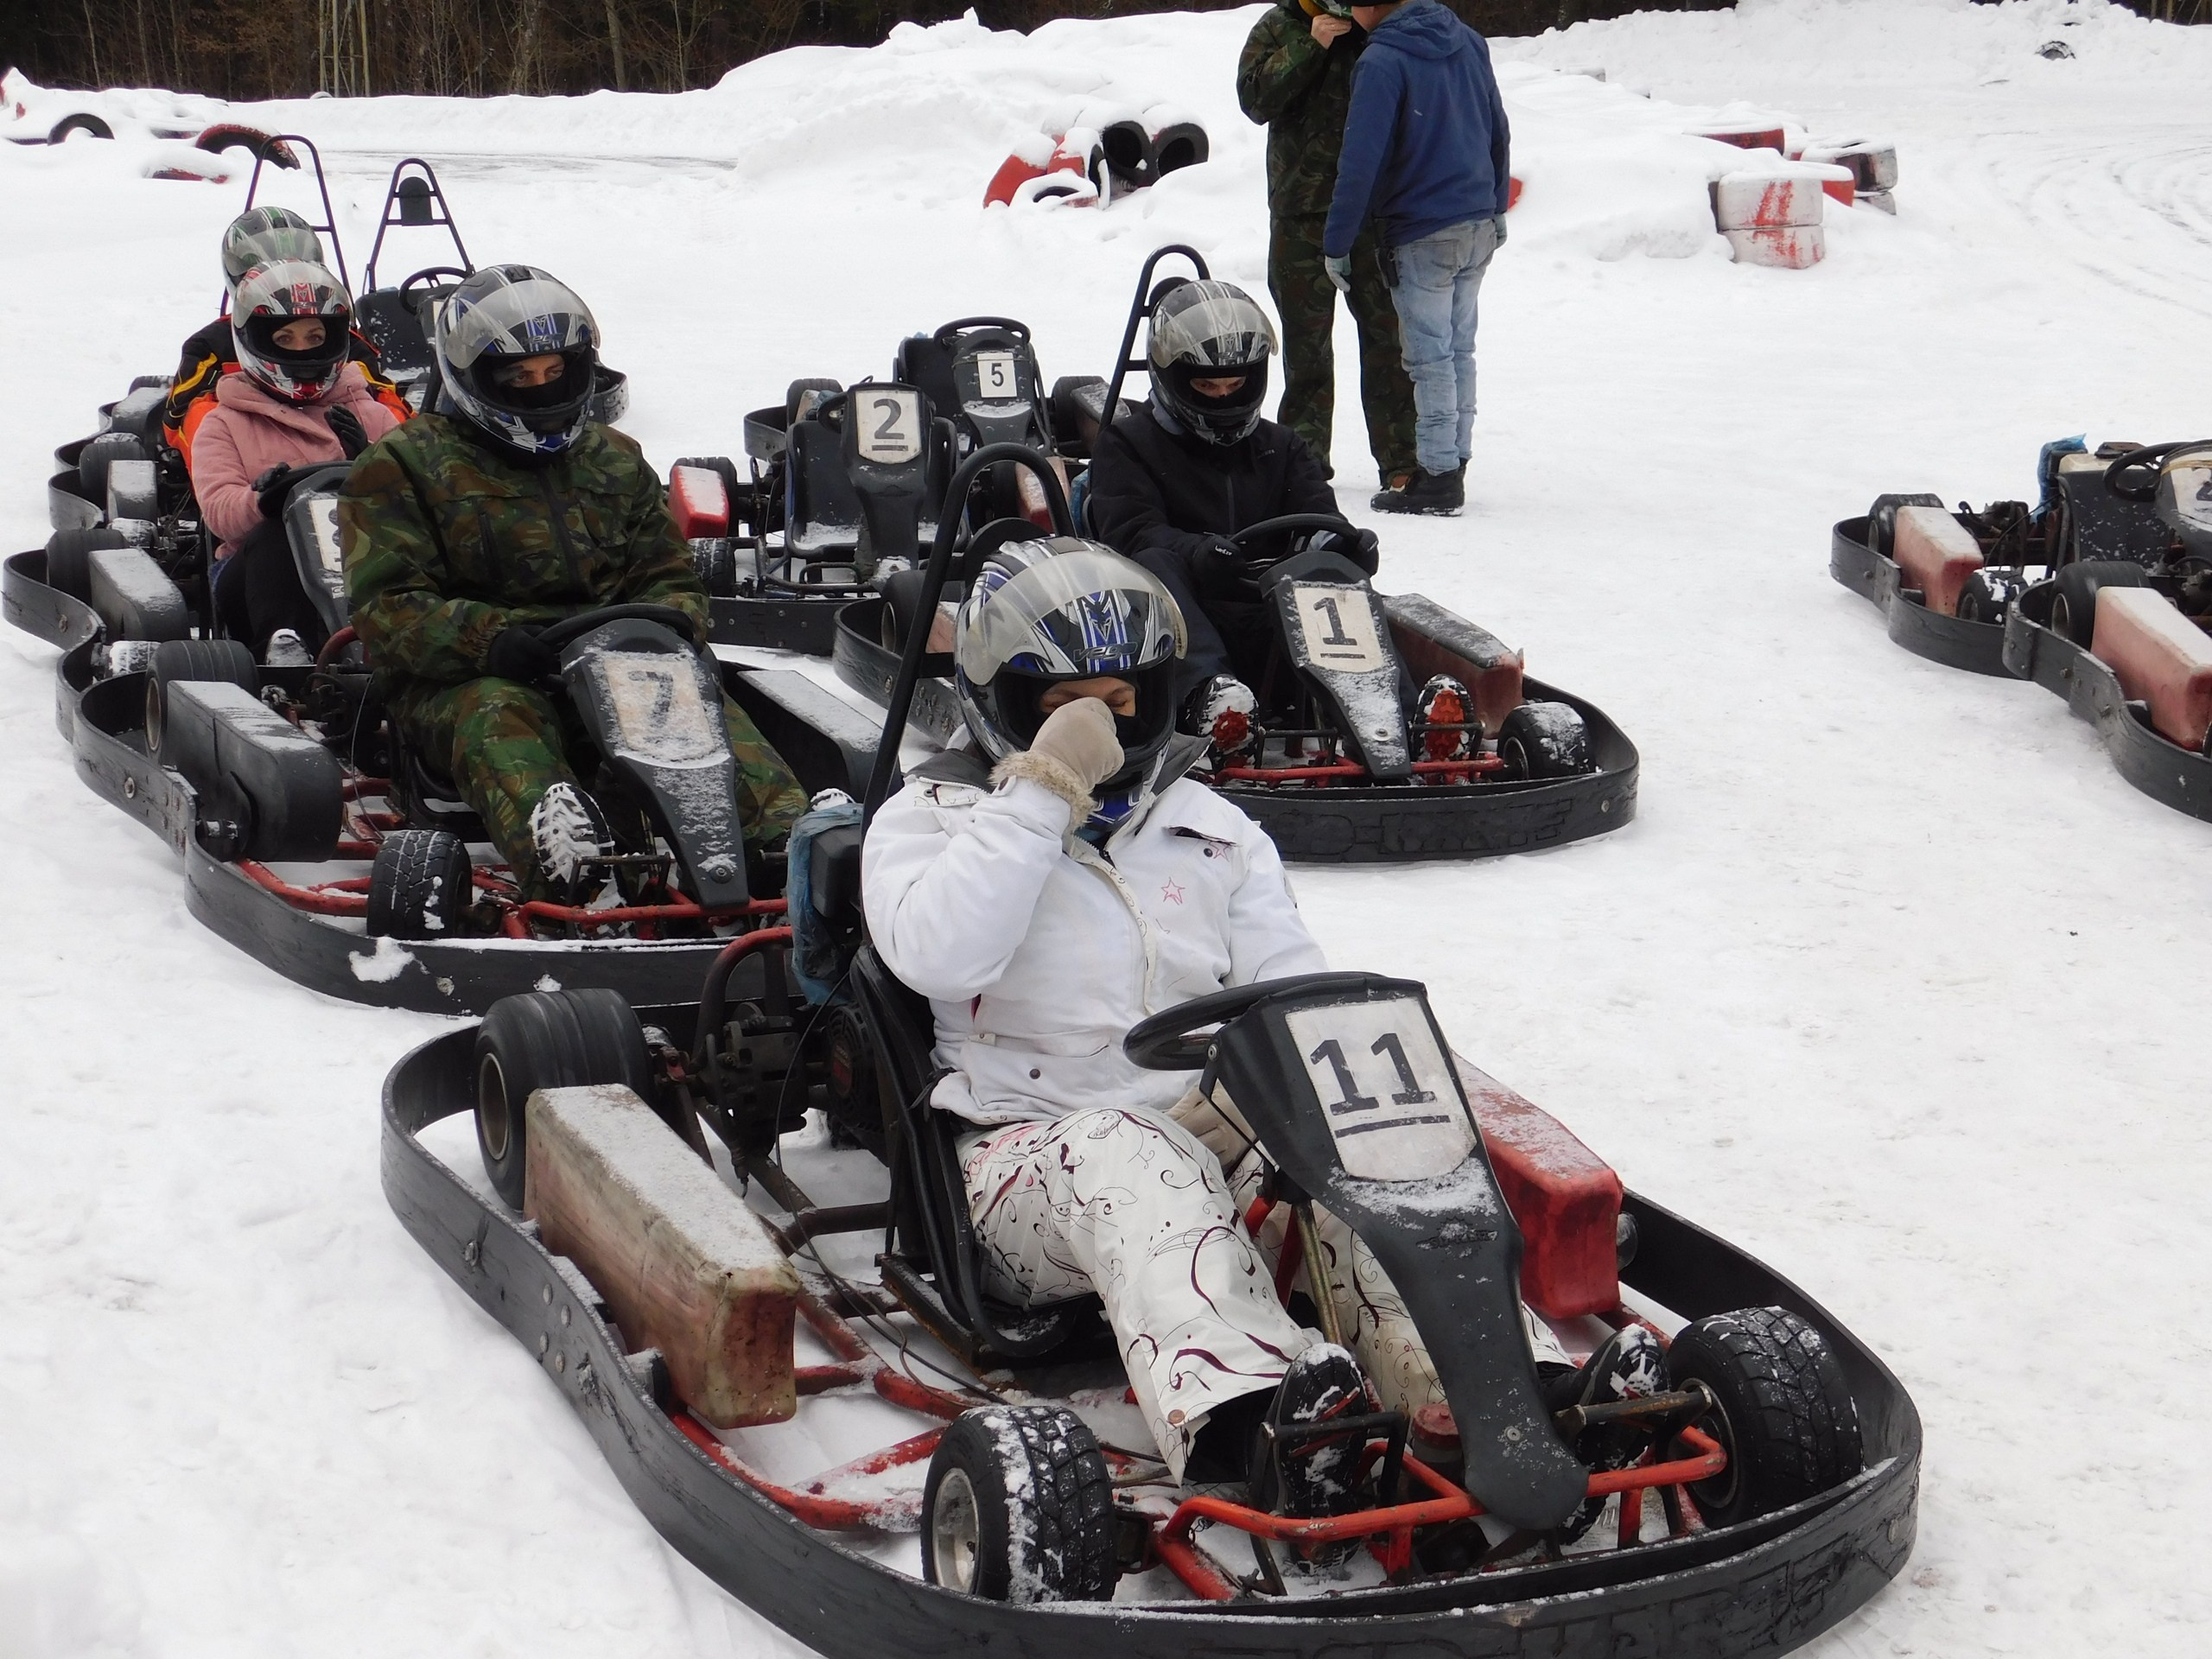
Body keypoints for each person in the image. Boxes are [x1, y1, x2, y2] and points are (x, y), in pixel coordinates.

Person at [862, 538, 1659, 1507]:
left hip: (1204, 1124)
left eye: (1117, 703)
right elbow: (942, 955)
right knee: (1132, 1152)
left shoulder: (1210, 826)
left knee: (1352, 1152)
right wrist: (1042, 789)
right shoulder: (932, 820)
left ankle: (1506, 1396)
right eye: (1063, 704)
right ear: (1001, 698)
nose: (1097, 729)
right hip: (1020, 1165)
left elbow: (1295, 997)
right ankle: (1257, 1426)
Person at [339, 264, 807, 901]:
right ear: (474, 376)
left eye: (554, 371)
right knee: (500, 717)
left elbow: (669, 576)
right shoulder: (402, 466)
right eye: (519, 377)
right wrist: (492, 641)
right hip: (475, 677)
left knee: (694, 704)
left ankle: (789, 853)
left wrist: (666, 624)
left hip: (618, 666)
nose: (541, 388)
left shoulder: (615, 459)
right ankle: (578, 874)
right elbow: (386, 608)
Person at [1082, 278, 1382, 759]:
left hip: (1274, 618)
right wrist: (1198, 551)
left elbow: (1318, 517)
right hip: (1178, 623)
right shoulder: (1127, 446)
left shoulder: (1281, 446)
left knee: (1332, 570)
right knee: (1155, 561)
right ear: (1172, 377)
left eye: (1235, 384)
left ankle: (1393, 715)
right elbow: (1132, 534)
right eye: (1206, 386)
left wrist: (1341, 546)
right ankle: (1214, 704)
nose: (1223, 397)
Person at [1324, 1, 1511, 517]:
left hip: (1421, 230)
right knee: (1459, 351)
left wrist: (1337, 242)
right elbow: (1497, 128)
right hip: (1475, 220)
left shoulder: (1382, 60)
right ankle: (1455, 459)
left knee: (1430, 360)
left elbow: (1360, 160)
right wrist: (1496, 205)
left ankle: (1439, 478)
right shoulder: (1467, 39)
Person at [1237, 0, 1420, 501]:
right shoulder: (1281, 26)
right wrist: (1309, 45)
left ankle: (1402, 462)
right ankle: (1304, 464)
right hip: (1301, 214)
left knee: (1389, 341)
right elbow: (1255, 100)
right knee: (1306, 349)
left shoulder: (1375, 22)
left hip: (1373, 213)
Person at [188, 258, 403, 664]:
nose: (303, 349)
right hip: (261, 577)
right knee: (277, 534)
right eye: (285, 338)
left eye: (315, 336)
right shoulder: (224, 422)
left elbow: (423, 498)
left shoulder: (371, 413)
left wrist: (372, 464)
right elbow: (219, 512)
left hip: (368, 568)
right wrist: (263, 500)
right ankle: (286, 655)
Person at [164, 207, 410, 462]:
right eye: (285, 338)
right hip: (252, 465)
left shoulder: (344, 343)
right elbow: (184, 417)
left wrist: (374, 452)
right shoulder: (211, 345)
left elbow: (389, 406)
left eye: (314, 337)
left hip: (345, 469)